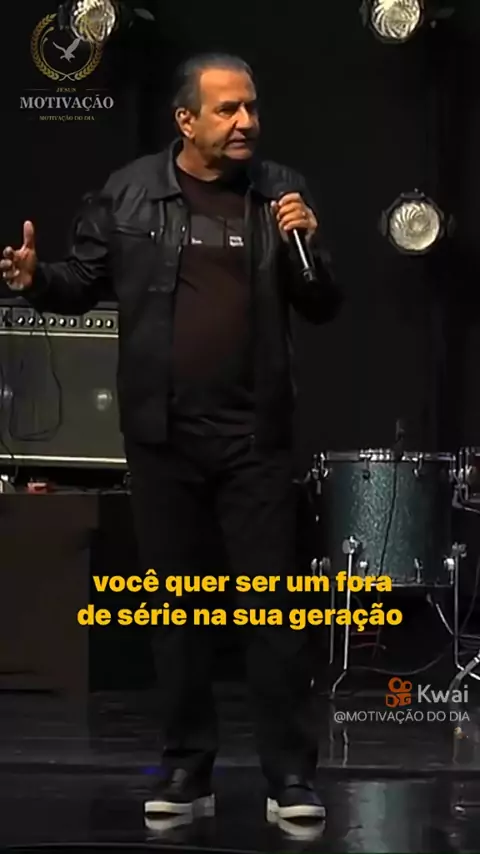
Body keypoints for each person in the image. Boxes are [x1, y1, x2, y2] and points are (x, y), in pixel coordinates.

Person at [1, 53, 341, 827]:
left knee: (273, 616)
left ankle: (291, 776)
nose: (246, 122)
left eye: (250, 107)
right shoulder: (128, 192)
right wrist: (34, 278)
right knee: (176, 609)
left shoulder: (279, 192)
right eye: (227, 109)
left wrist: (310, 246)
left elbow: (323, 304)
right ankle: (187, 768)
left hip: (256, 436)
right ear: (186, 120)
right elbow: (80, 281)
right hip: (163, 436)